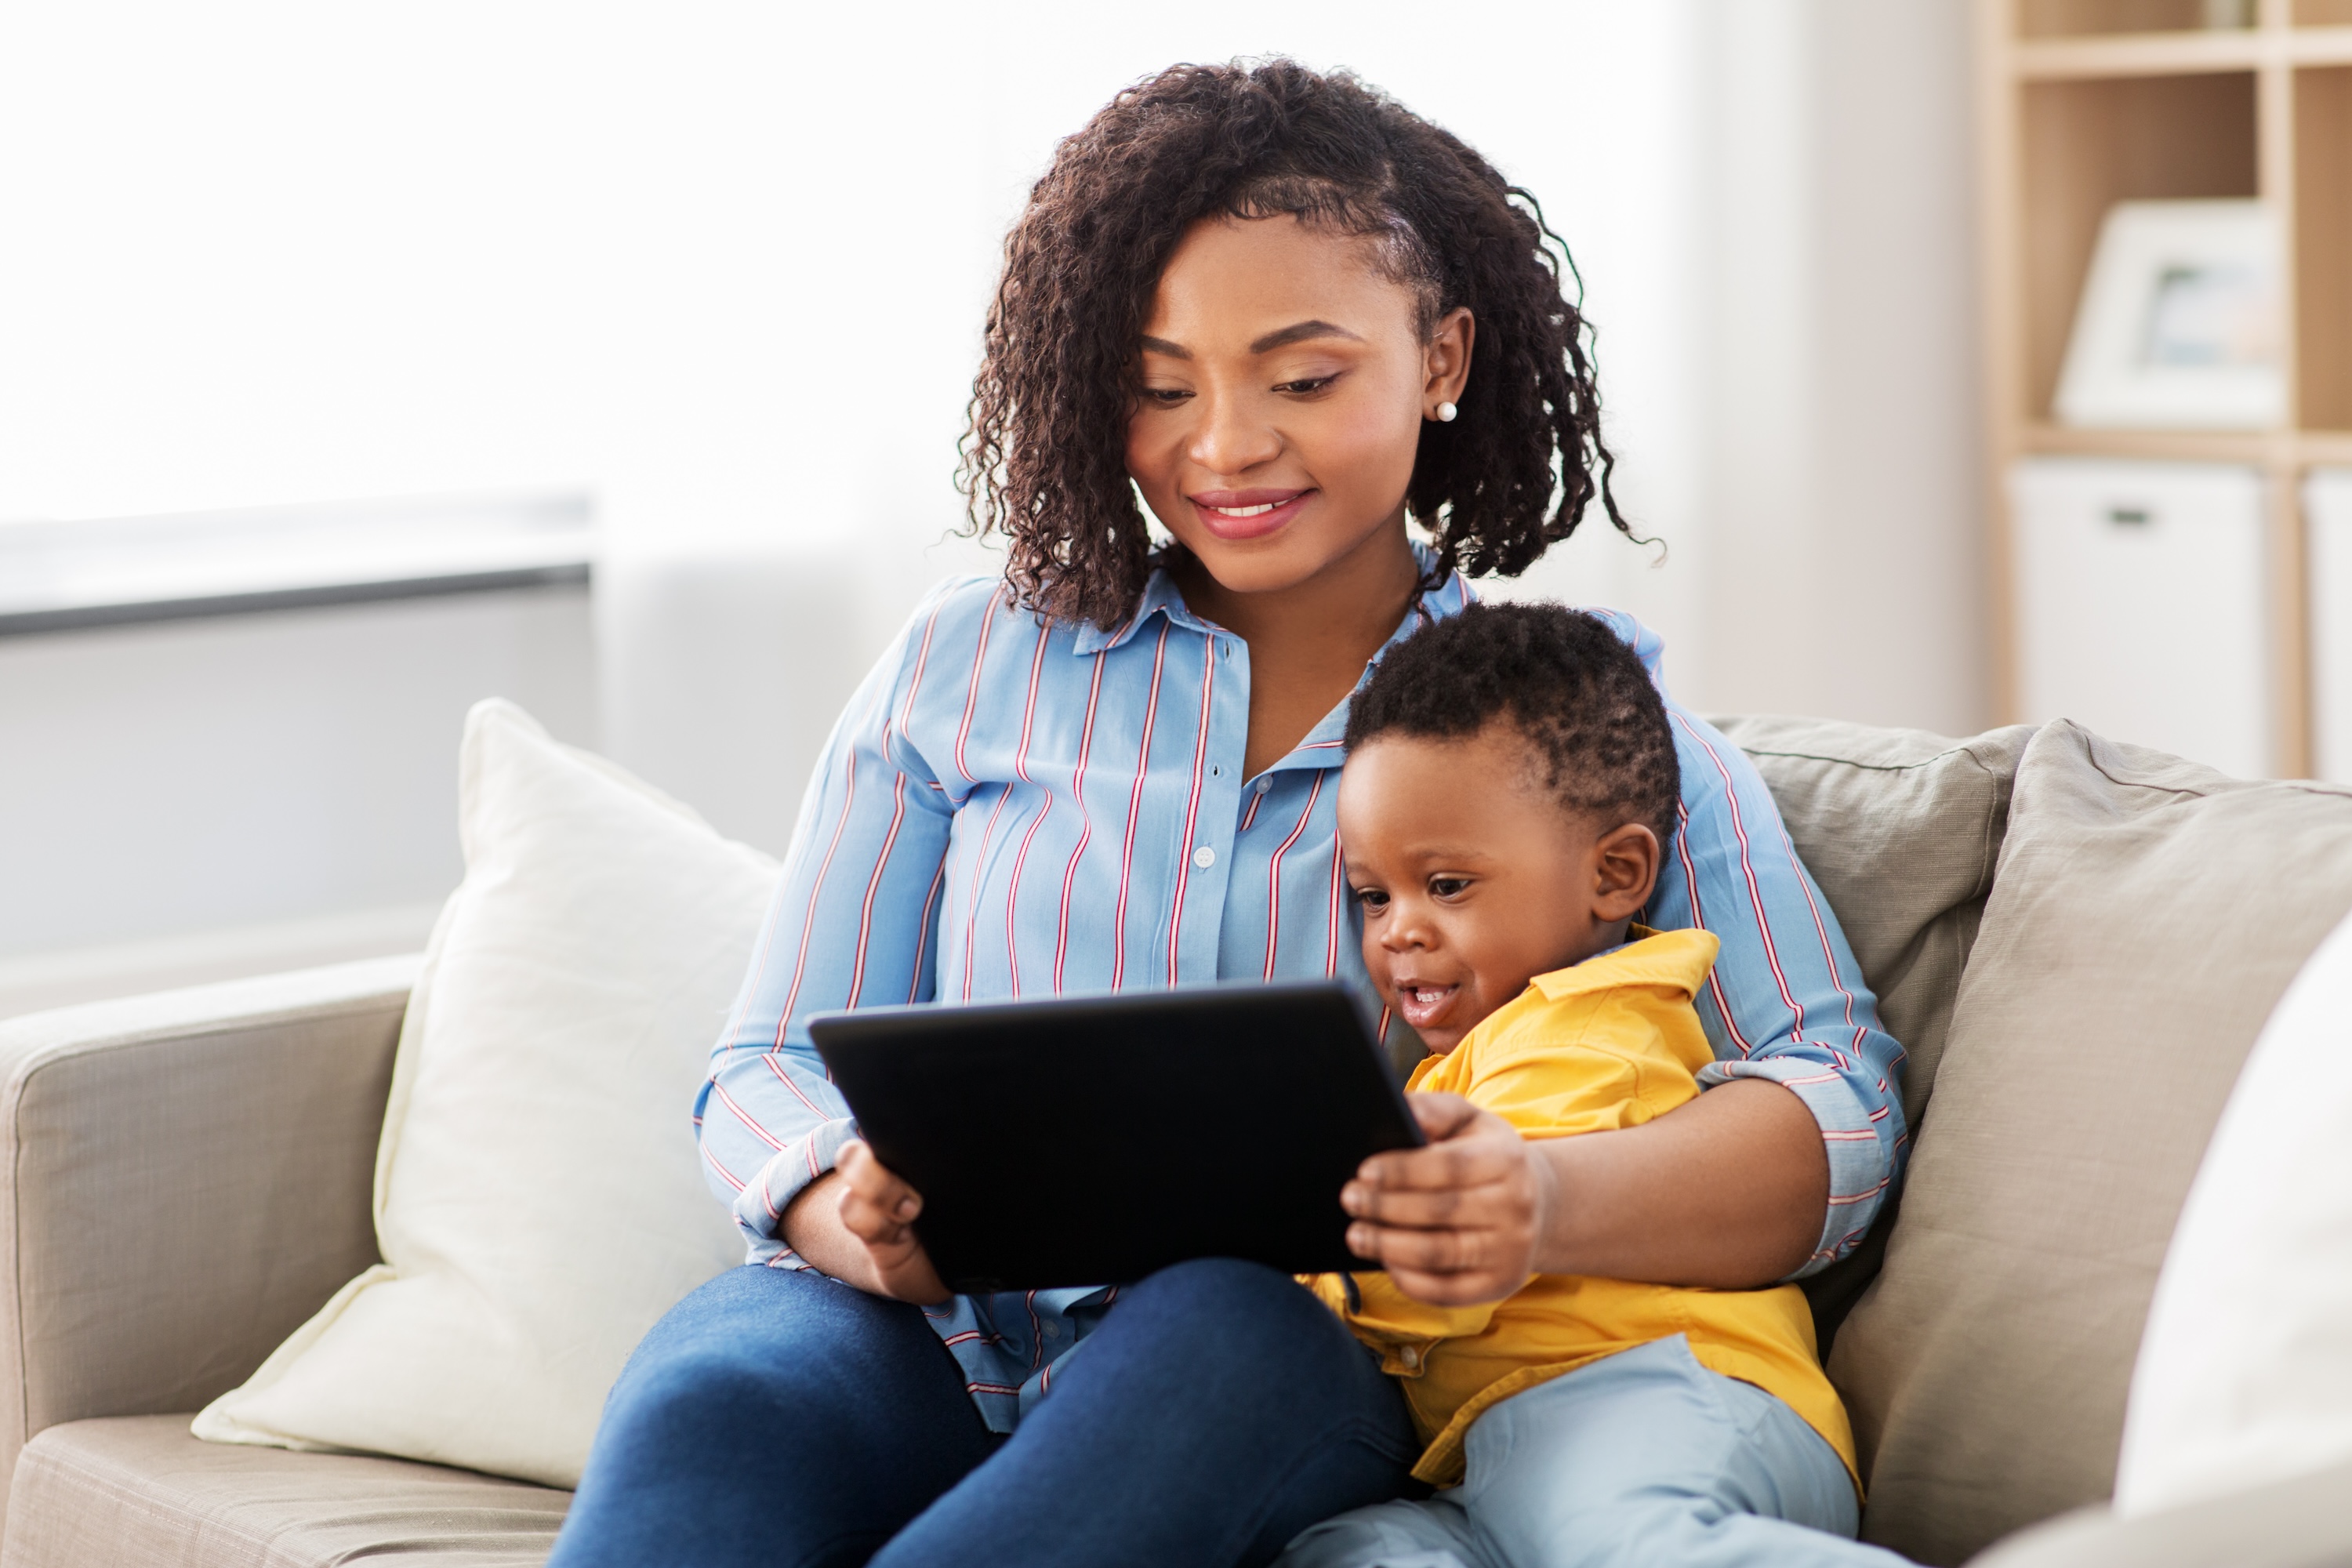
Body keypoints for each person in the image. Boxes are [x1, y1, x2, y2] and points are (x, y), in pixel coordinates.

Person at [548, 60, 1906, 1568]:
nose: (1224, 448)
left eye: (1304, 379)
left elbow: (1838, 1095)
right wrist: (833, 1202)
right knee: (714, 1399)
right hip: (925, 1335)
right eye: (1159, 384)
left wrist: (1540, 1196)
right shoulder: (960, 664)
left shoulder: (1578, 732)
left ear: (1441, 356)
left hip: (1274, 1362)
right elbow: (766, 1061)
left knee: (1209, 1309)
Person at [1276, 601, 1902, 1568]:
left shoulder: (1589, 1025)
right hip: (1494, 1450)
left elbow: (1442, 1277)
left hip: (1657, 1394)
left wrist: (1282, 1266)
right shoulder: (1468, 1057)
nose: (1398, 929)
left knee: (1628, 1545)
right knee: (1351, 1549)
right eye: (1374, 894)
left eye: (1446, 885)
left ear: (1615, 875)